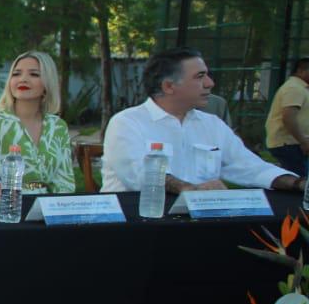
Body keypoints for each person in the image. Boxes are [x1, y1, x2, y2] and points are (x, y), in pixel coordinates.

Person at [101, 47, 301, 194]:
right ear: (169, 86)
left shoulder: (211, 124)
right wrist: (188, 189)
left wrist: (297, 183)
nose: (210, 83)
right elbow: (139, 175)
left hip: (200, 219)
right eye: (200, 77)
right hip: (136, 222)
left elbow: (250, 166)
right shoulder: (127, 123)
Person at [0, 50, 76, 194]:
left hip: (47, 205)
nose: (23, 79)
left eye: (34, 74)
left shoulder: (58, 126)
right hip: (4, 203)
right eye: (16, 74)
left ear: (48, 83)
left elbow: (65, 182)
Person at [263, 57, 309, 177]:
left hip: (293, 144)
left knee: (297, 179)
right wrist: (303, 141)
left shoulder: (301, 88)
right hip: (289, 144)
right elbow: (288, 117)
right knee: (297, 181)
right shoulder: (294, 88)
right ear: (301, 71)